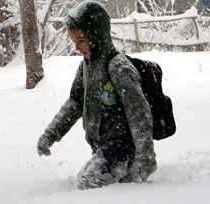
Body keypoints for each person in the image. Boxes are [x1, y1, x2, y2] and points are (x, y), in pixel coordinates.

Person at [37, 1, 157, 190]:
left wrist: (145, 156)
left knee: (88, 182)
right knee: (99, 184)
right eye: (74, 42)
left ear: (97, 36)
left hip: (125, 146)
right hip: (104, 147)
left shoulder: (118, 67)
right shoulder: (86, 66)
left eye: (81, 41)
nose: (77, 48)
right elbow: (75, 103)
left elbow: (139, 113)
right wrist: (51, 134)